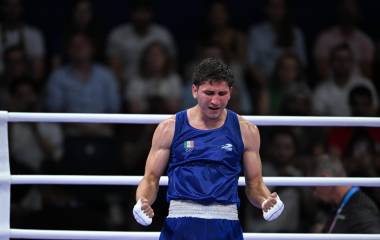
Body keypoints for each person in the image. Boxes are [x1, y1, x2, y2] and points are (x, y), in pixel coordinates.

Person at [133, 58, 284, 239]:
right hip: (180, 221)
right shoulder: (170, 127)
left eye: (222, 93)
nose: (215, 100)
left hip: (225, 223)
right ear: (194, 90)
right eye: (209, 92)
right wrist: (142, 203)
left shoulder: (246, 130)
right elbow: (150, 178)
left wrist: (266, 201)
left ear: (230, 93)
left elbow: (255, 184)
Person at [312, 154, 380, 233]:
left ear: (325, 179)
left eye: (314, 187)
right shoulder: (340, 206)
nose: (315, 193)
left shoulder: (360, 209)